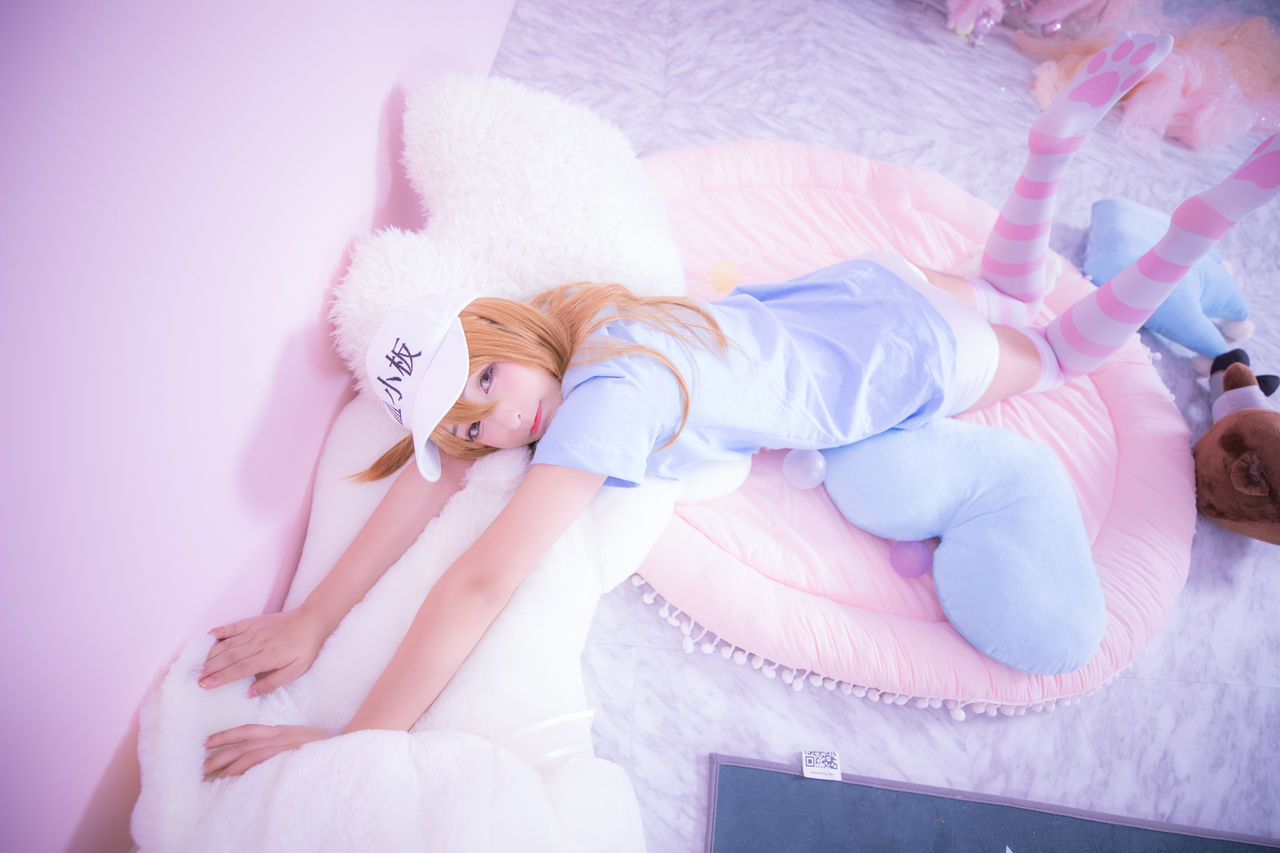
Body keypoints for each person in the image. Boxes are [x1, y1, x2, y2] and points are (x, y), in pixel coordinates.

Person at [200, 32, 1279, 778]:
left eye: (485, 383)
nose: (500, 427)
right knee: (1008, 286)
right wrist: (313, 617)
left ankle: (1191, 221)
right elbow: (423, 487)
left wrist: (359, 738)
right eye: (471, 429)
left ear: (503, 333)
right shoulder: (584, 316)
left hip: (905, 359)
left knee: (1064, 353)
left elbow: (481, 579)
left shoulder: (604, 406)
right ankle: (1049, 154)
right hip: (868, 290)